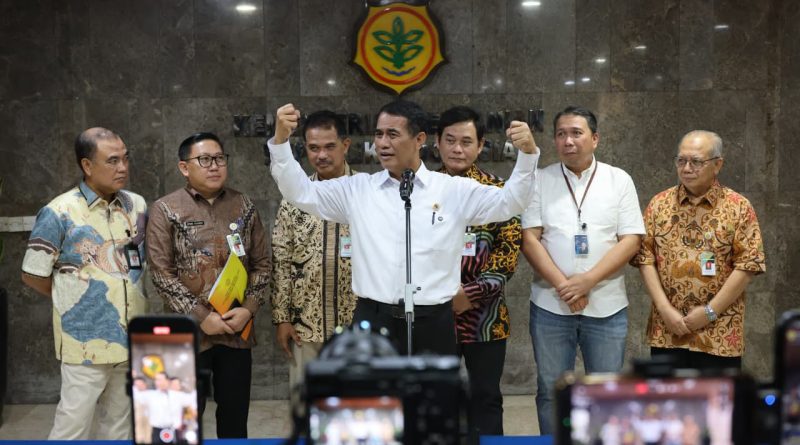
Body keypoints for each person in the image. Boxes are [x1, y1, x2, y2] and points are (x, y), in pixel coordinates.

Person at [267, 101, 539, 355]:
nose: (383, 143)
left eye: (393, 134)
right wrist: (280, 142)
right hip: (373, 319)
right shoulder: (357, 189)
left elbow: (511, 202)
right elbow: (300, 192)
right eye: (379, 134)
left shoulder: (452, 190)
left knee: (433, 392)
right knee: (375, 393)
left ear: (419, 139)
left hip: (433, 322)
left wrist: (527, 155)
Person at [520, 106, 644, 435]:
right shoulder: (540, 179)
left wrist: (587, 280)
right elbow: (529, 239)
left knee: (605, 393)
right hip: (550, 305)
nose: (568, 141)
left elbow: (631, 240)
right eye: (561, 134)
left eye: (576, 133)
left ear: (595, 138)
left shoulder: (618, 180)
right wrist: (565, 286)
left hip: (606, 306)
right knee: (551, 391)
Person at [21, 127, 147, 440]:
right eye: (112, 161)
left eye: (125, 158)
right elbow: (32, 274)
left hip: (131, 337)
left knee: (120, 428)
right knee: (72, 428)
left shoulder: (137, 205)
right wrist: (75, 299)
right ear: (87, 165)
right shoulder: (59, 212)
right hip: (85, 342)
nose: (123, 167)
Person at [146, 132, 270, 438]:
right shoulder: (165, 209)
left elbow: (262, 264)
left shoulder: (244, 205)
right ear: (184, 167)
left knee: (234, 419)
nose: (214, 166)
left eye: (219, 158)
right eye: (204, 159)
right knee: (181, 424)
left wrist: (248, 310)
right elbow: (161, 274)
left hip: (236, 330)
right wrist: (203, 317)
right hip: (186, 333)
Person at [630, 130, 766, 369]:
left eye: (696, 161)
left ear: (717, 164)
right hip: (668, 330)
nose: (687, 168)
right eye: (681, 160)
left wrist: (710, 312)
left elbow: (749, 264)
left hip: (719, 333)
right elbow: (644, 257)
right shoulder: (659, 204)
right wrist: (664, 309)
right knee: (666, 394)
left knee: (718, 395)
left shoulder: (738, 207)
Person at [435, 106, 522, 438]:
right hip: (433, 316)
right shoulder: (421, 190)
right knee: (436, 399)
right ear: (437, 143)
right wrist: (441, 295)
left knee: (486, 397)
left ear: (481, 145)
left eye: (466, 141)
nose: (457, 149)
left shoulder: (498, 192)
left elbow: (507, 253)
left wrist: (468, 295)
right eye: (450, 140)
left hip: (486, 318)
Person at [271, 110, 358, 389]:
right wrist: (282, 319)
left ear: (345, 145)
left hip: (357, 326)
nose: (321, 155)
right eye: (314, 148)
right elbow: (281, 260)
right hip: (305, 326)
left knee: (357, 406)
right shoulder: (293, 198)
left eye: (330, 146)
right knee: (306, 406)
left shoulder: (366, 192)